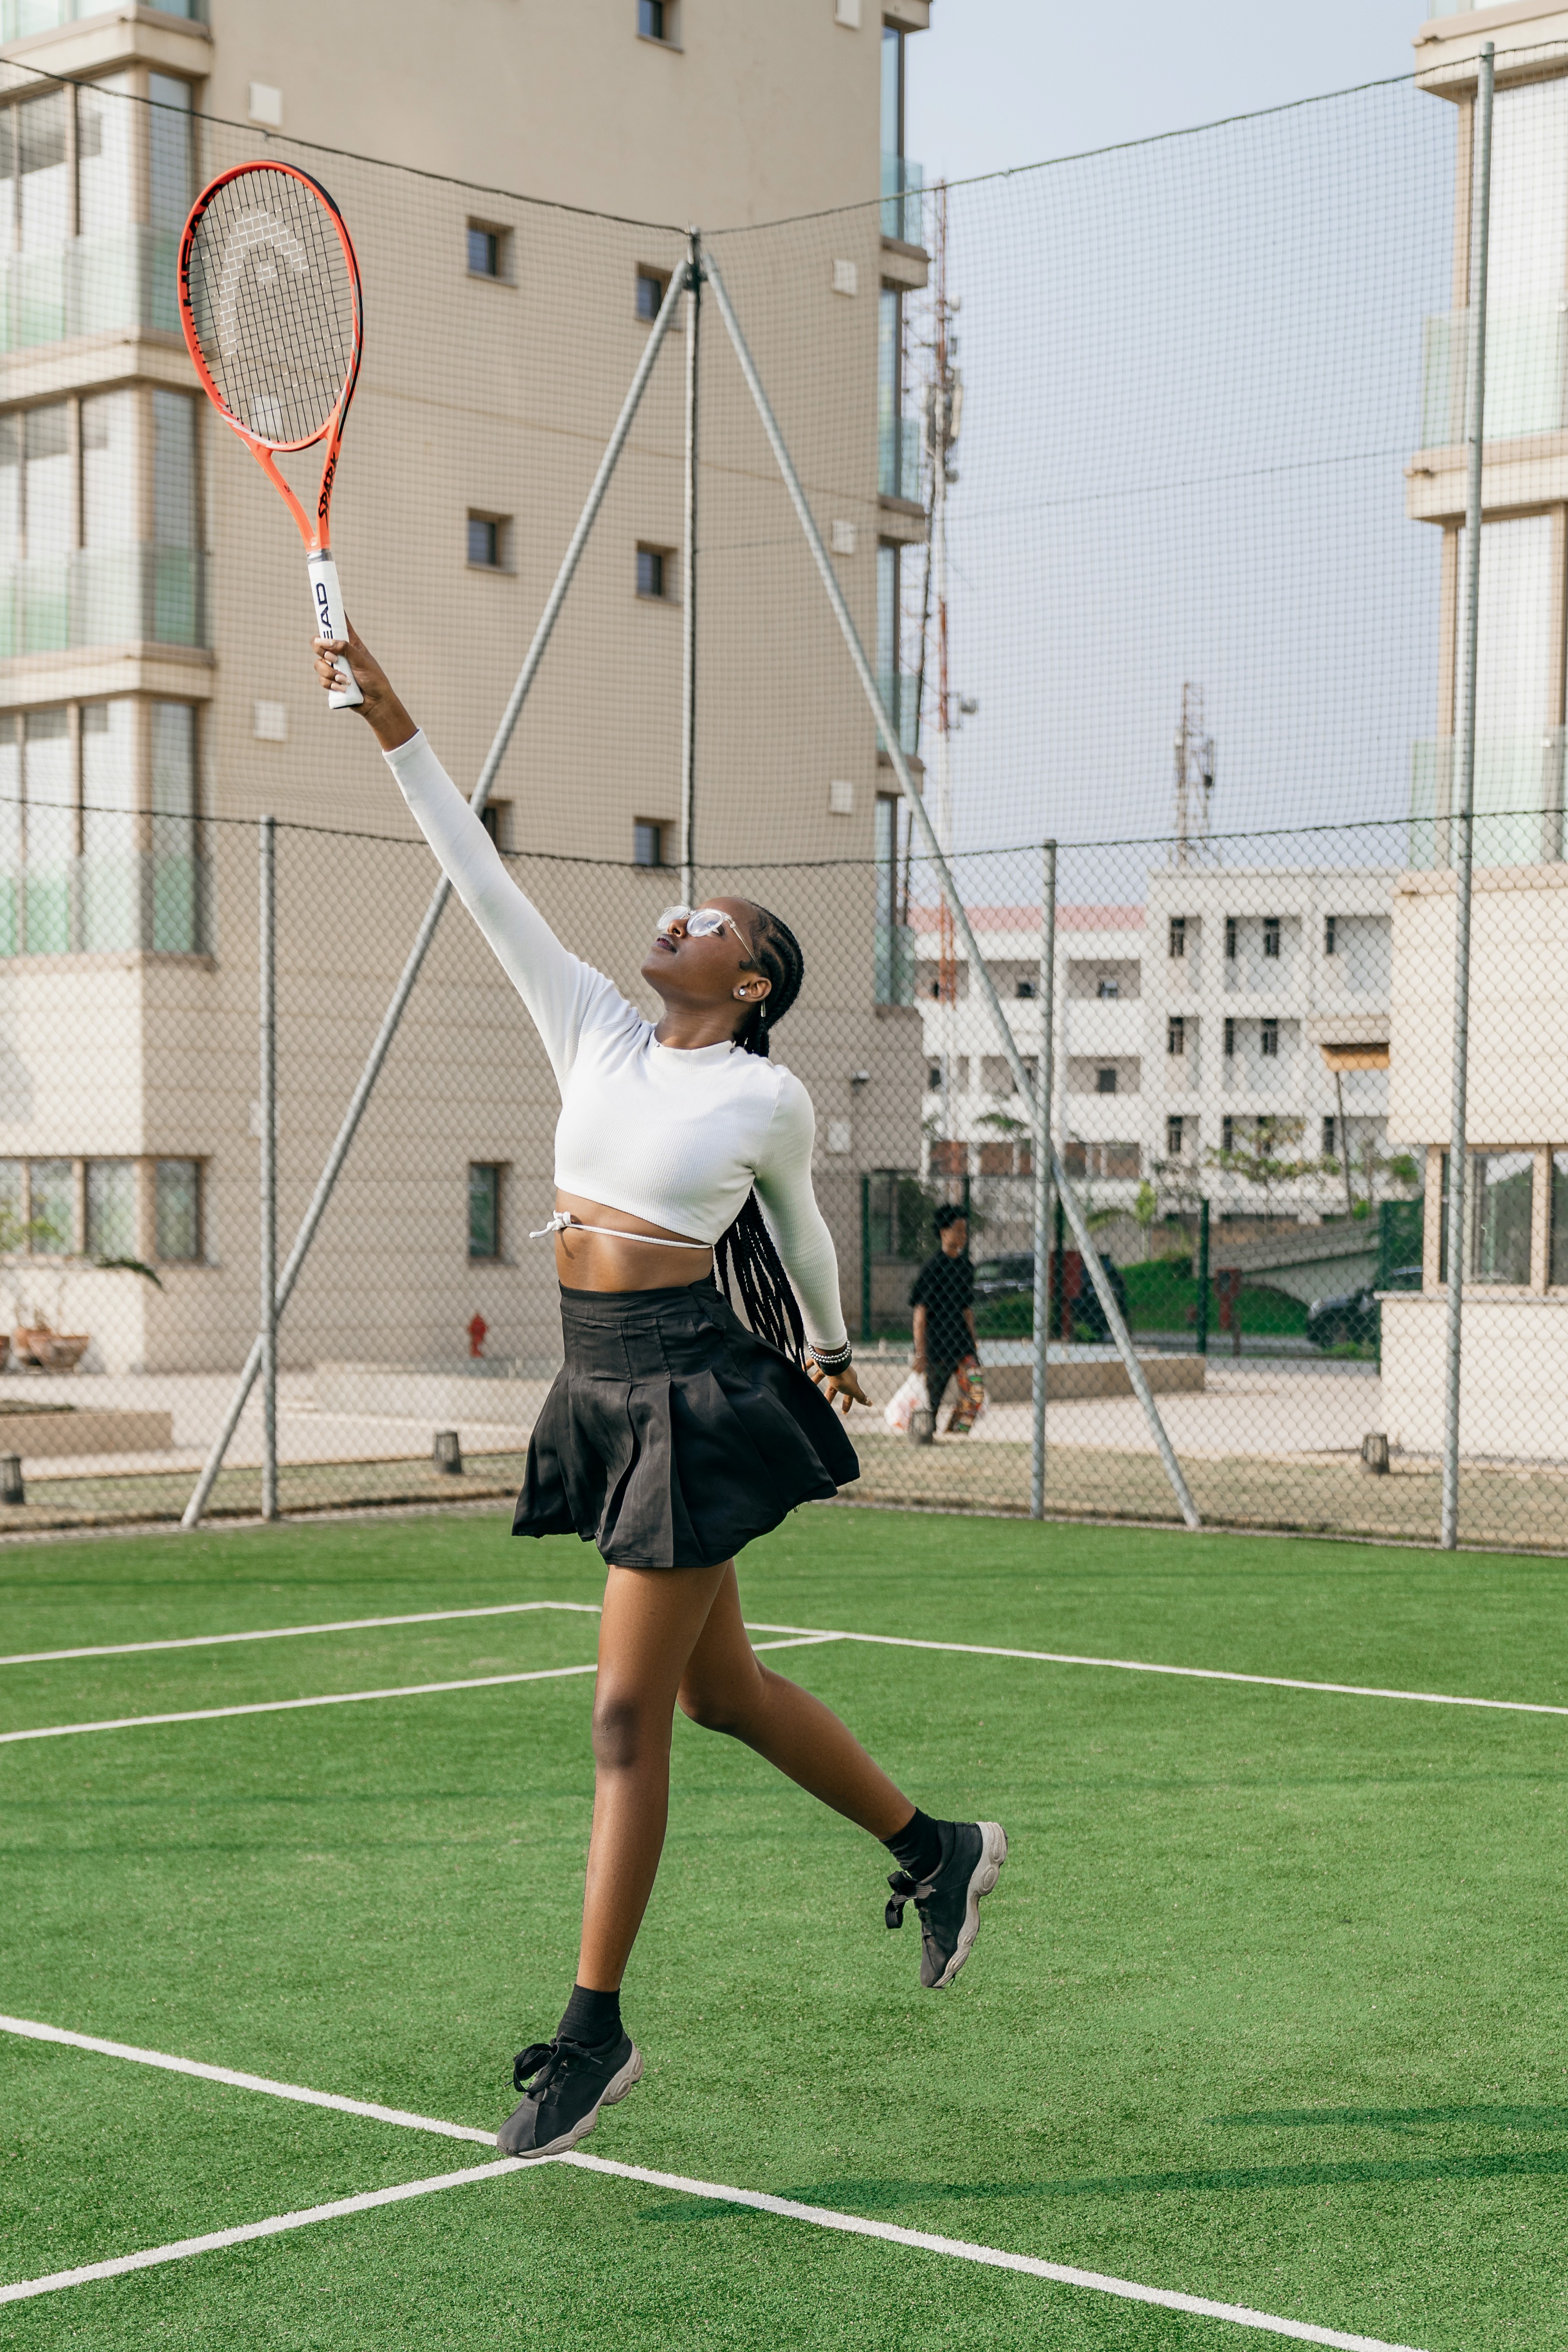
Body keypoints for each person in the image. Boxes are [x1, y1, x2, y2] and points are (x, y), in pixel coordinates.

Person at [312, 625, 1008, 2163]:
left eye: (713, 919)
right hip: (602, 1379)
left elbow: (805, 1229)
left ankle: (593, 2030)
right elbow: (472, 870)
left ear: (747, 981)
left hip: (686, 1389)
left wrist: (830, 1341)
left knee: (629, 1717)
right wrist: (393, 714)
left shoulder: (763, 1092)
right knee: (721, 1692)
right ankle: (940, 1846)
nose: (678, 913)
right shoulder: (591, 1027)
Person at [910, 1204, 980, 1427]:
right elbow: (920, 1313)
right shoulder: (932, 1268)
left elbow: (967, 1310)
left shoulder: (966, 1268)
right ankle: (927, 1434)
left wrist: (974, 1342)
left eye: (965, 1231)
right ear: (944, 1232)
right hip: (938, 1346)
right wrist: (920, 1352)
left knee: (975, 1392)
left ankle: (956, 1433)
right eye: (958, 1230)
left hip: (962, 1344)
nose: (963, 1236)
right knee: (932, 1403)